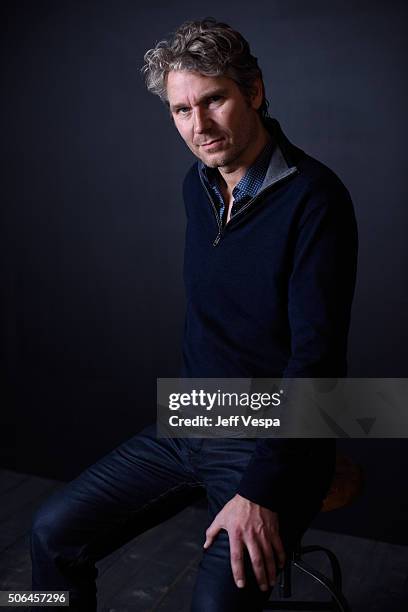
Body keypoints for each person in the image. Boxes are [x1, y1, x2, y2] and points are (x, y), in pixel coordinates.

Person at [30, 18, 358, 611]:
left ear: (253, 91)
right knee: (51, 533)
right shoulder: (199, 185)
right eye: (181, 110)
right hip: (194, 417)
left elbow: (318, 360)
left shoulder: (316, 199)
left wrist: (261, 490)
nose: (199, 126)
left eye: (214, 100)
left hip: (276, 443)